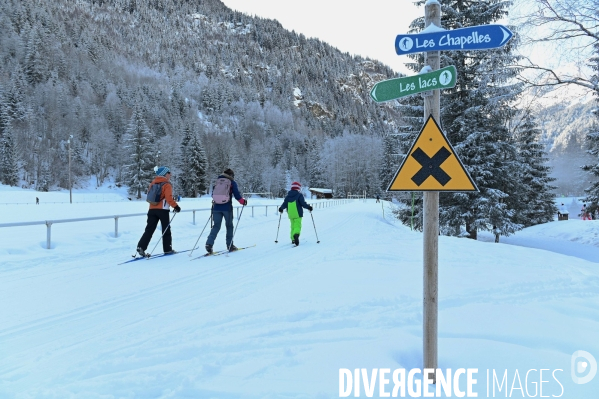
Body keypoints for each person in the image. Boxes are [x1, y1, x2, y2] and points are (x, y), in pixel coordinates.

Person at [136, 166, 181, 256]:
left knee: (149, 229)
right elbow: (169, 198)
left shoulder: (153, 183)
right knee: (166, 229)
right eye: (169, 173)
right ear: (164, 174)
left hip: (152, 209)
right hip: (163, 210)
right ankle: (167, 249)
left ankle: (141, 246)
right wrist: (176, 206)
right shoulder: (166, 184)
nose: (170, 174)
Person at [205, 168, 246, 253]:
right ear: (231, 175)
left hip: (216, 207)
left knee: (216, 226)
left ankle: (209, 243)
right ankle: (230, 245)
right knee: (229, 226)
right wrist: (243, 202)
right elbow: (237, 195)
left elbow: (213, 194)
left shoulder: (218, 181)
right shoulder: (231, 182)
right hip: (227, 208)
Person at [279, 181, 313, 246]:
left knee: (292, 226)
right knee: (297, 225)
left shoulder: (288, 196)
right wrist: (309, 207)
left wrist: (281, 208)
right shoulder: (299, 195)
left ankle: (293, 239)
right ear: (298, 188)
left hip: (290, 213)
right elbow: (303, 204)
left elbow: (285, 204)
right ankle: (296, 235)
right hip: (298, 213)